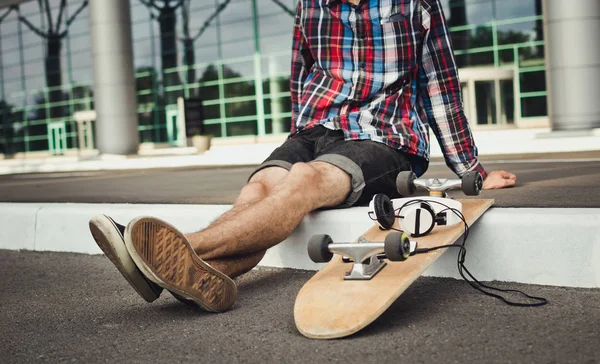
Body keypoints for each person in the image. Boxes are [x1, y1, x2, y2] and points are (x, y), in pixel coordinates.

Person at [89, 0, 516, 312]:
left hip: (384, 136)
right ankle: (198, 276)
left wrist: (470, 171)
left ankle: (174, 247)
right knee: (260, 189)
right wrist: (298, 137)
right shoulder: (311, 5)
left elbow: (439, 85)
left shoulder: (413, 5)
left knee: (302, 182)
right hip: (315, 129)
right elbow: (301, 75)